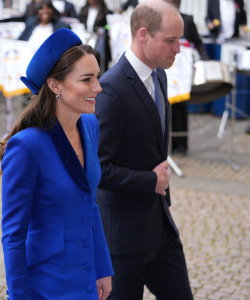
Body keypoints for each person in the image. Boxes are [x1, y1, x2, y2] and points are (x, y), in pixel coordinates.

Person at [0, 28, 114, 300]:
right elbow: (13, 236)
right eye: (87, 79)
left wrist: (102, 268)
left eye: (97, 76)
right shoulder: (26, 146)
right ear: (55, 85)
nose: (98, 87)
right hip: (47, 284)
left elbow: (90, 202)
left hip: (85, 278)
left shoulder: (90, 126)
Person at [94, 1, 194, 299]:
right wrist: (151, 182)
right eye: (170, 41)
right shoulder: (111, 90)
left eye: (180, 40)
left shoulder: (159, 74)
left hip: (159, 226)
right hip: (123, 238)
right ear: (142, 35)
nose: (178, 49)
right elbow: (97, 168)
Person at [165, 0, 209, 155]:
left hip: (181, 72)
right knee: (163, 110)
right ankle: (164, 146)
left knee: (180, 110)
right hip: (165, 70)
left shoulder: (188, 20)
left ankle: (181, 146)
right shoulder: (159, 19)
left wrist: (205, 62)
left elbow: (198, 43)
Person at [78, 0, 112, 71]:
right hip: (86, 38)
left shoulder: (105, 12)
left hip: (99, 41)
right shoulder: (84, 10)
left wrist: (102, 29)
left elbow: (108, 27)